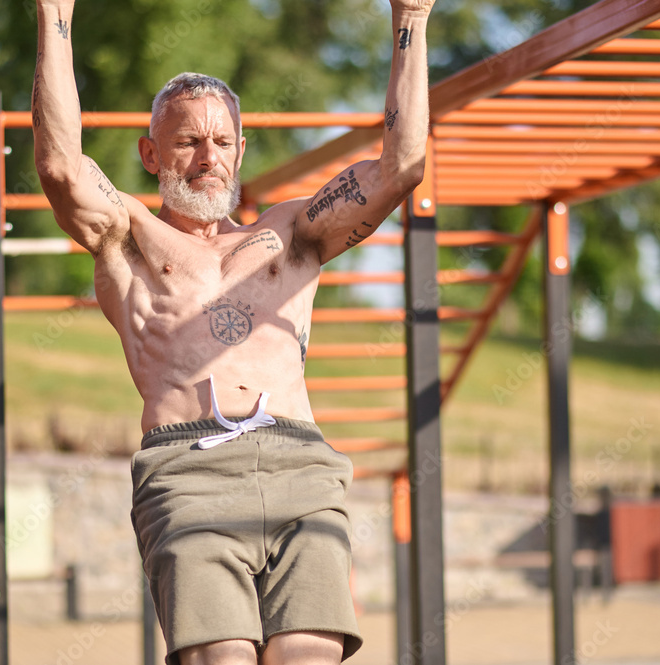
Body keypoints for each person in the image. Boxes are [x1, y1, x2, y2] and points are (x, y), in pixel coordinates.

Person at [33, 0, 435, 663]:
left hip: (300, 463)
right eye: (188, 140)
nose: (207, 157)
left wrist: (412, 17)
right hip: (188, 472)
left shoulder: (290, 234)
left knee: (308, 655)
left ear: (241, 150)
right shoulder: (129, 236)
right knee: (220, 657)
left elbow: (401, 167)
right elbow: (60, 165)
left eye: (222, 142)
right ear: (150, 151)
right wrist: (55, 13)